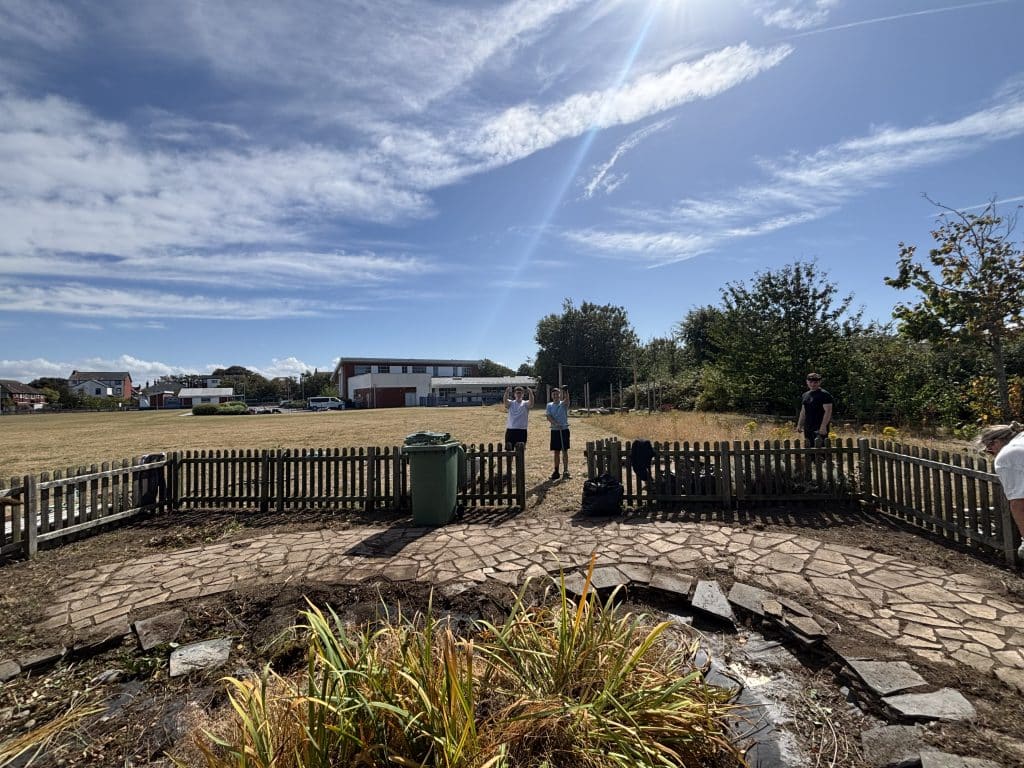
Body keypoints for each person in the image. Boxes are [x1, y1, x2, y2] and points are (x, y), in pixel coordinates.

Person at [978, 422, 1024, 561]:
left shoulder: (1007, 456)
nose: (991, 454)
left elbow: (1018, 502)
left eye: (989, 450)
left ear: (995, 443)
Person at [796, 372, 833, 446]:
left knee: (821, 449)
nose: (813, 384)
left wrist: (823, 426)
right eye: (810, 382)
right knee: (809, 448)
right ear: (807, 382)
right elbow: (803, 411)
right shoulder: (805, 395)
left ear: (819, 382)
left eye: (815, 382)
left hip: (819, 427)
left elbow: (828, 411)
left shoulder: (825, 395)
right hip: (808, 426)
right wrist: (799, 425)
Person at [546, 387, 571, 480]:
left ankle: (566, 470)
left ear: (560, 395)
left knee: (565, 450)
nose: (556, 396)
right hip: (555, 430)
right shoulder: (549, 405)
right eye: (554, 394)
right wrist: (556, 423)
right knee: (556, 452)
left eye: (557, 394)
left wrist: (566, 391)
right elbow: (548, 416)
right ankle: (556, 471)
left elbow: (567, 399)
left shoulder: (563, 404)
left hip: (564, 430)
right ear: (552, 396)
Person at [502, 384, 534, 450]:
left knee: (521, 452)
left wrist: (530, 393)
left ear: (523, 394)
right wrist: (506, 392)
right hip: (510, 430)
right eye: (517, 393)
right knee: (509, 451)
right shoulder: (511, 403)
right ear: (514, 394)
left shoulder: (525, 403)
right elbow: (505, 402)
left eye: (520, 393)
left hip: (522, 430)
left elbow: (531, 403)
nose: (519, 394)